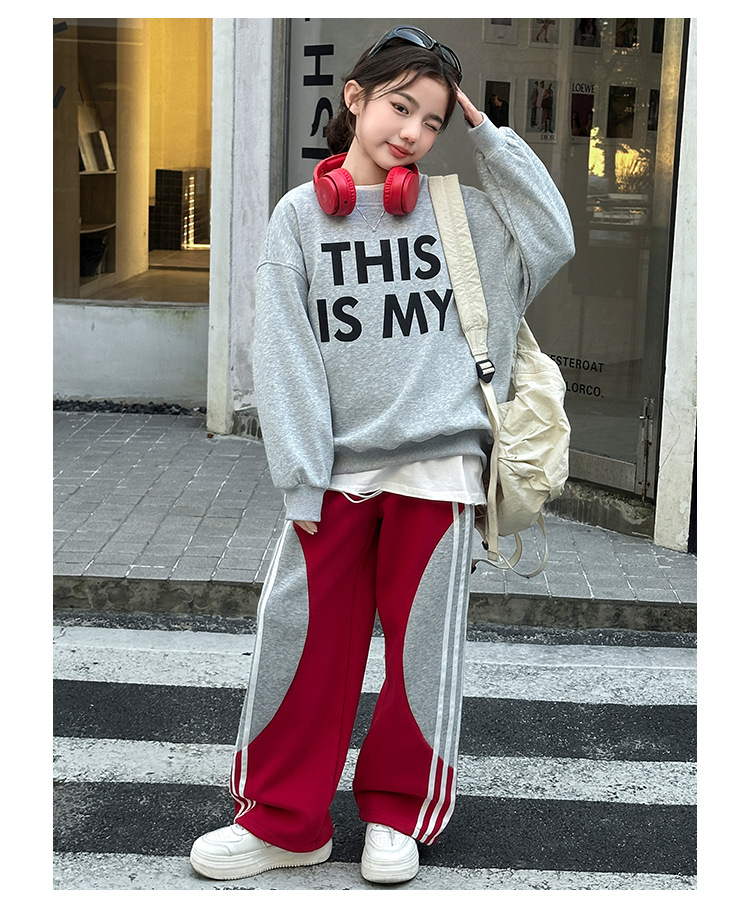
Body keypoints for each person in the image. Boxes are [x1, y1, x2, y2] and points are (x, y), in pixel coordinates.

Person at [190, 23, 574, 885]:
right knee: (299, 643)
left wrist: (488, 135)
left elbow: (553, 237)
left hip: (440, 472)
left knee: (421, 654)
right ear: (355, 98)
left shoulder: (461, 215)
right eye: (400, 107)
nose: (413, 131)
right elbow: (285, 357)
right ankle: (285, 821)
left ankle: (396, 814)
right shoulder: (299, 217)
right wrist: (300, 478)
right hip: (333, 474)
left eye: (432, 120)